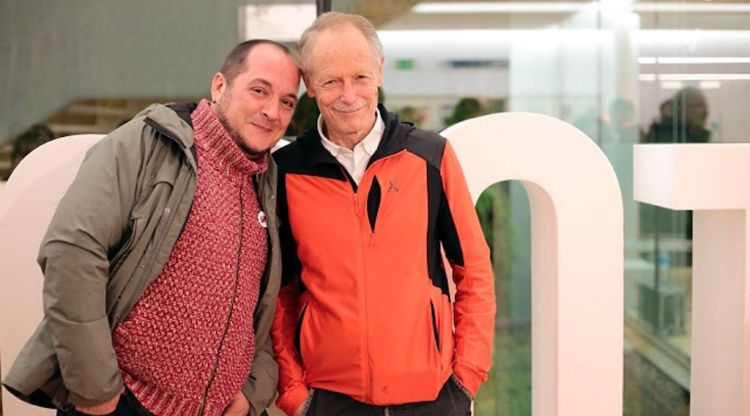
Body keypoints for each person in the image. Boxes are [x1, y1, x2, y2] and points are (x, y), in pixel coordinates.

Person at [3, 39, 301, 416]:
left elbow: (269, 305)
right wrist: (96, 389)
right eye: (260, 90)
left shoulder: (269, 183)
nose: (272, 111)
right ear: (219, 86)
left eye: (287, 102)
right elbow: (72, 249)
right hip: (124, 404)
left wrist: (252, 391)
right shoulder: (149, 141)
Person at [271, 12, 495, 416]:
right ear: (308, 84)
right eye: (331, 80)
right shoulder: (286, 171)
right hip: (329, 400)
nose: (348, 94)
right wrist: (294, 394)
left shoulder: (430, 157)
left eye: (359, 76)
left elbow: (474, 272)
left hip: (433, 397)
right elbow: (279, 293)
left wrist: (466, 379)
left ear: (379, 69)